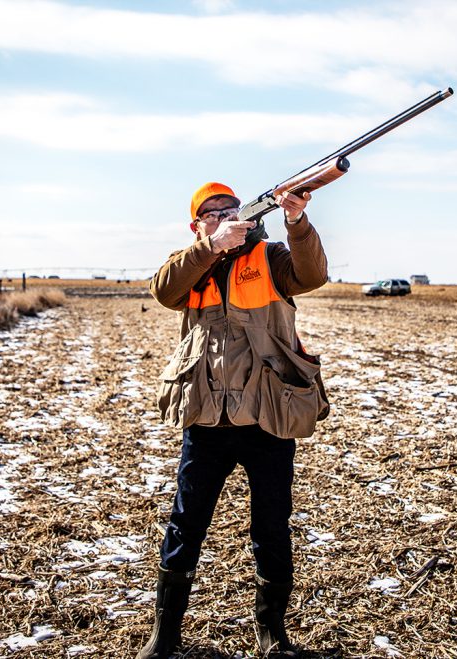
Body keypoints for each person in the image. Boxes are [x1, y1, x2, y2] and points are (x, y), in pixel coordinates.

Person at [137, 182, 330, 659]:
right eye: (213, 212)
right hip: (206, 420)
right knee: (186, 525)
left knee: (271, 527)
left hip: (267, 417)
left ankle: (273, 636)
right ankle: (164, 639)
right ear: (197, 224)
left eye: (231, 209)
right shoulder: (191, 265)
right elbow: (163, 291)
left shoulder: (269, 257)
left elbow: (312, 274)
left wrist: (297, 221)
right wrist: (210, 248)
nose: (224, 216)